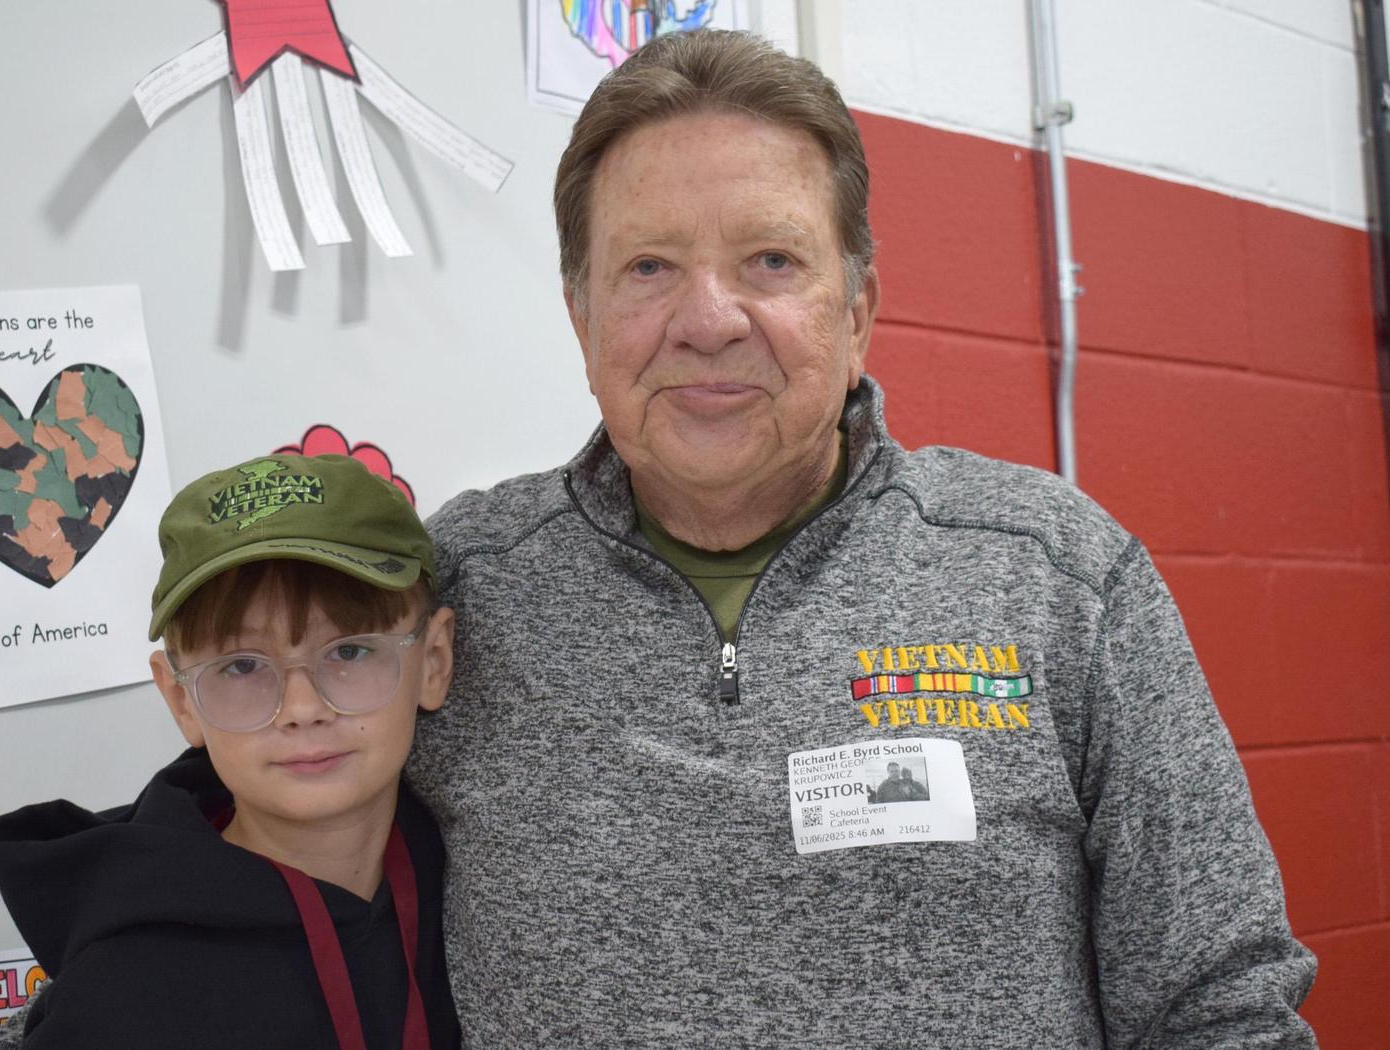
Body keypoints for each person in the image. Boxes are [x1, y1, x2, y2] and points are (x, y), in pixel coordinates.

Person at [404, 29, 1317, 1048]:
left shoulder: (1055, 577)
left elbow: (1220, 1006)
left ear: (855, 314)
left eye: (771, 260)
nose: (708, 319)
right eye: (649, 265)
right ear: (581, 320)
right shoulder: (459, 591)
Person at [0, 453, 460, 1049]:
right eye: (241, 666)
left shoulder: (488, 889)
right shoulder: (118, 995)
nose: (302, 707)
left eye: (350, 651)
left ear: (434, 662)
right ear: (181, 700)